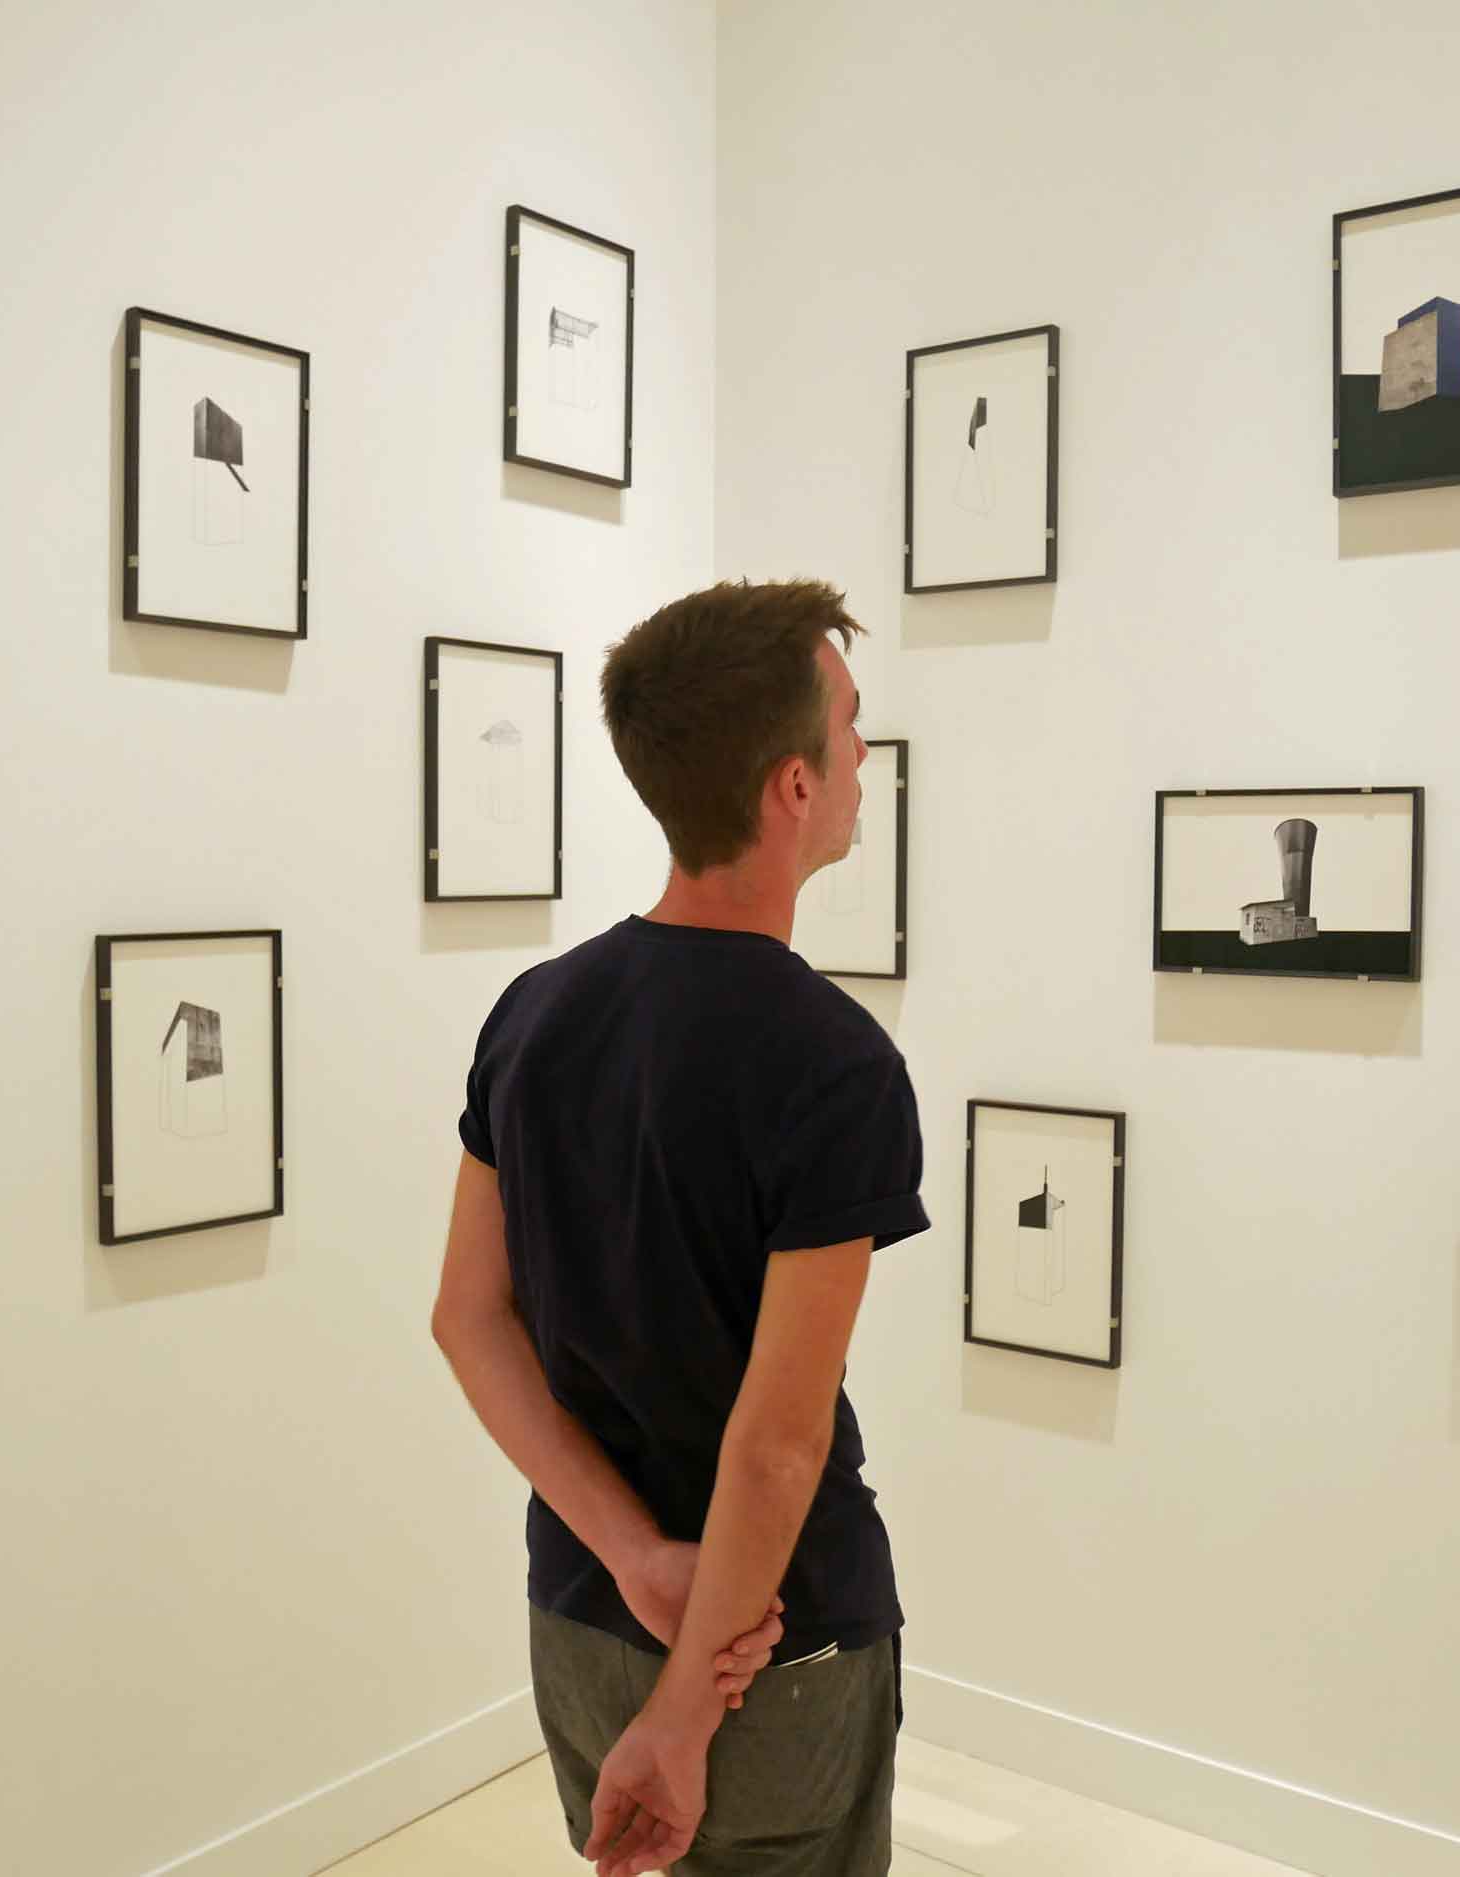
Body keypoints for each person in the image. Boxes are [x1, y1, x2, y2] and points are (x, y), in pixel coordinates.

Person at [431, 578, 928, 1877]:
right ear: (794, 788)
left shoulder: (530, 1017)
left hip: (584, 1616)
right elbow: (773, 1447)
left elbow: (468, 1317)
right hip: (768, 1656)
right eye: (852, 725)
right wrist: (685, 1713)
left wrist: (637, 1555)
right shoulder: (837, 1066)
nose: (866, 752)